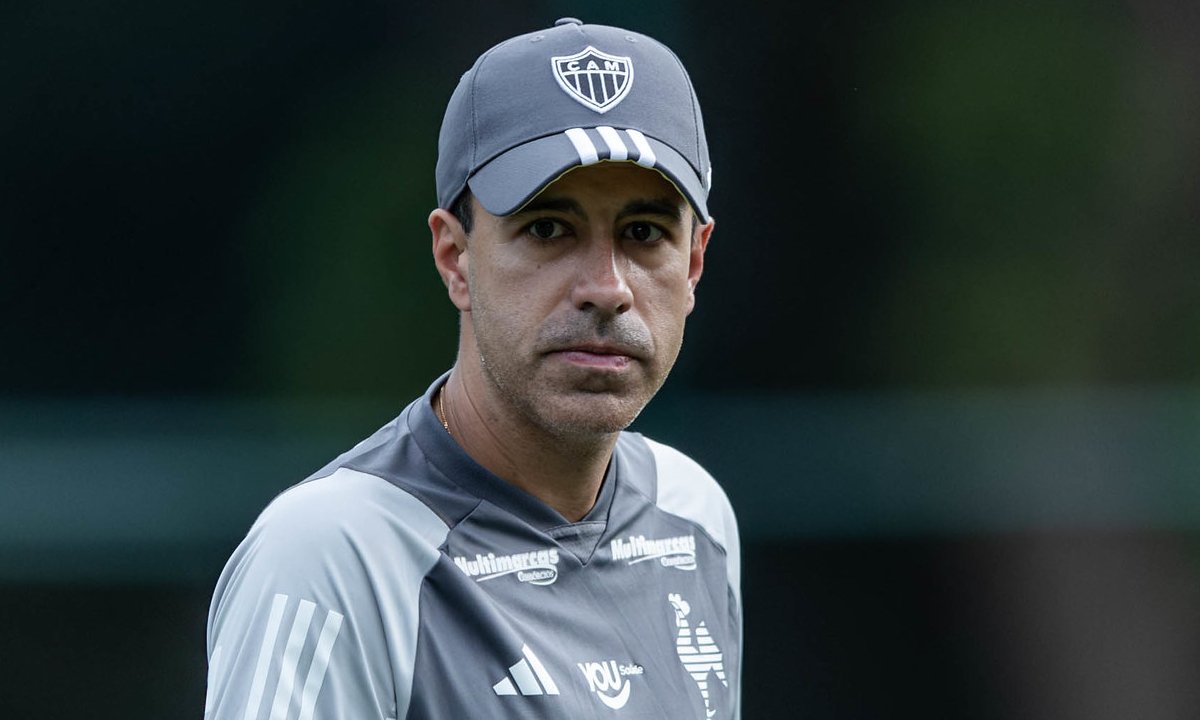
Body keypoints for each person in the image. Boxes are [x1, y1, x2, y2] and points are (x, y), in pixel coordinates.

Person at [205, 18, 740, 720]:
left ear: (694, 262)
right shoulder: (330, 557)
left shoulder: (692, 515)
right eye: (548, 228)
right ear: (456, 257)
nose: (606, 287)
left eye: (644, 233)